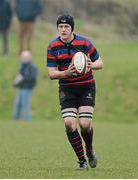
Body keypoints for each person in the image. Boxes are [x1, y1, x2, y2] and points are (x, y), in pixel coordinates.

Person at [47, 14, 103, 170]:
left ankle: (90, 150)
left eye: (66, 27)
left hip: (86, 86)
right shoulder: (52, 46)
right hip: (67, 88)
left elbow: (100, 62)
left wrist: (90, 65)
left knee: (85, 124)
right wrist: (65, 73)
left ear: (72, 28)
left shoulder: (84, 42)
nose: (63, 29)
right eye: (60, 27)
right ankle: (81, 161)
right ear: (58, 28)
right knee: (69, 123)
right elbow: (51, 73)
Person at [13, 50, 38, 121]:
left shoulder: (32, 67)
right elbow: (19, 77)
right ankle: (15, 120)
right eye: (23, 57)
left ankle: (27, 120)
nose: (24, 58)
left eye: (26, 57)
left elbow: (33, 77)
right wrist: (16, 82)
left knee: (25, 105)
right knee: (17, 104)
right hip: (21, 88)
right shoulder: (22, 66)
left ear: (29, 57)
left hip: (27, 88)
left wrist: (23, 78)